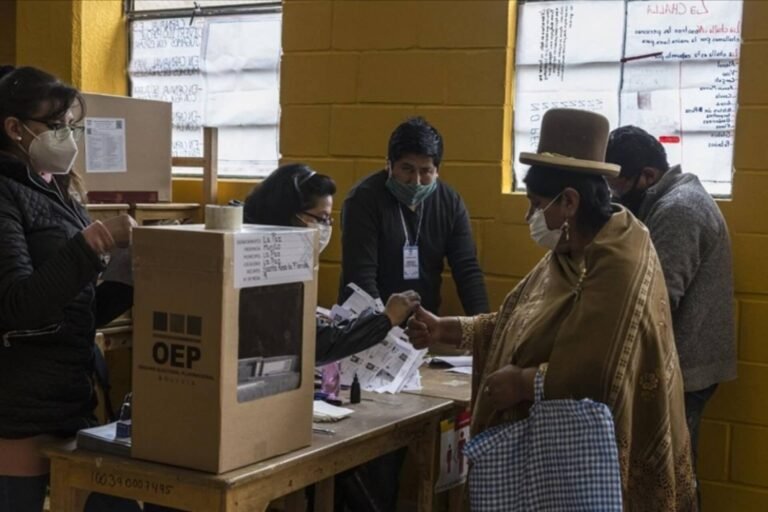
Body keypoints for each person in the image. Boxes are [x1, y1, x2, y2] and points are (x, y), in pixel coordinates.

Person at [407, 109, 696, 511]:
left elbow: (605, 369)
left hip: (598, 460)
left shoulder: (620, 259)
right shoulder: (568, 252)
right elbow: (519, 322)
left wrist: (524, 384)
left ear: (570, 202)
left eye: (536, 204)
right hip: (551, 452)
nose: (530, 217)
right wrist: (446, 329)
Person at [0, 66, 137, 512]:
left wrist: (129, 274)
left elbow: (74, 310)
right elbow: (18, 306)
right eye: (55, 126)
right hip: (18, 413)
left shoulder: (56, 192)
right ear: (14, 128)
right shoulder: (5, 194)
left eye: (70, 126)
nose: (67, 137)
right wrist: (95, 242)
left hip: (67, 399)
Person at [605, 125, 737, 501]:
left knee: (675, 480)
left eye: (616, 184)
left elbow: (658, 298)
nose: (612, 195)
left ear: (647, 176)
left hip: (686, 369)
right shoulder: (669, 199)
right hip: (678, 362)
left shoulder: (679, 210)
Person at [243, 163, 421, 364]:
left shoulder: (282, 264)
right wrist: (385, 320)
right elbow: (314, 344)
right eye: (321, 218)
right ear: (291, 215)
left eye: (329, 220)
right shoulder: (257, 268)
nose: (326, 228)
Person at [339, 116, 489, 316]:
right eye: (406, 169)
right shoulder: (363, 200)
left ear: (437, 171)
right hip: (369, 321)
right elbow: (361, 277)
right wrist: (381, 327)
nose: (415, 181)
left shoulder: (450, 202)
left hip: (422, 325)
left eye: (425, 171)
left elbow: (467, 270)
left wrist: (483, 328)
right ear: (389, 165)